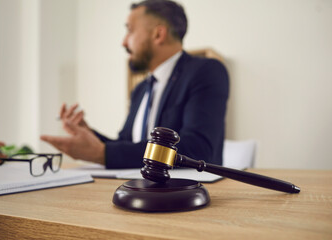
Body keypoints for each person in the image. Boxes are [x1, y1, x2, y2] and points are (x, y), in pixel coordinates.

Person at [41, 0, 229, 169]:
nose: (123, 41)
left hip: (187, 196)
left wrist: (102, 154)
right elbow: (126, 145)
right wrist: (89, 134)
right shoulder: (140, 90)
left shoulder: (206, 71)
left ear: (158, 34)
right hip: (138, 190)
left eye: (130, 30)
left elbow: (198, 149)